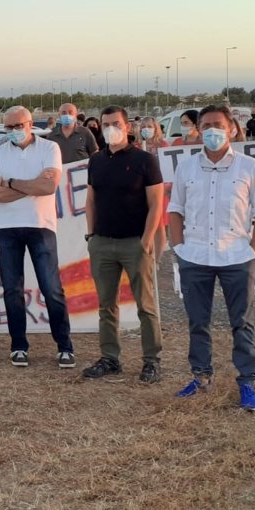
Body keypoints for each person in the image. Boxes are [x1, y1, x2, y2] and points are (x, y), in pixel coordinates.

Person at [168, 105, 255, 411]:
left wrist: (253, 249)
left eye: (218, 125)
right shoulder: (186, 167)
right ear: (198, 130)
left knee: (241, 322)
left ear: (232, 129)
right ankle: (201, 377)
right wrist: (179, 247)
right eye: (205, 126)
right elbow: (175, 209)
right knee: (198, 321)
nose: (211, 130)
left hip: (236, 256)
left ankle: (246, 382)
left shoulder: (249, 166)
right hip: (195, 256)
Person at [0, 106, 75, 368]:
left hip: (41, 225)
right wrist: (31, 184)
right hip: (7, 227)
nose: (14, 131)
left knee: (51, 288)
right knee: (12, 289)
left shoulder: (49, 148)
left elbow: (49, 186)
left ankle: (64, 346)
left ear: (29, 124)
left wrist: (10, 183)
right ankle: (18, 346)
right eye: (9, 127)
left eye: (19, 125)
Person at [82, 106, 165, 384]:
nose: (110, 129)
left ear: (127, 126)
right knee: (106, 305)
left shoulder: (145, 161)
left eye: (115, 123)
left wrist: (146, 241)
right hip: (102, 243)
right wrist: (91, 236)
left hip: (134, 243)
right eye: (105, 124)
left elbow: (156, 204)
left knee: (146, 306)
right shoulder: (96, 161)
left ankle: (151, 360)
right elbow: (91, 199)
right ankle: (110, 358)